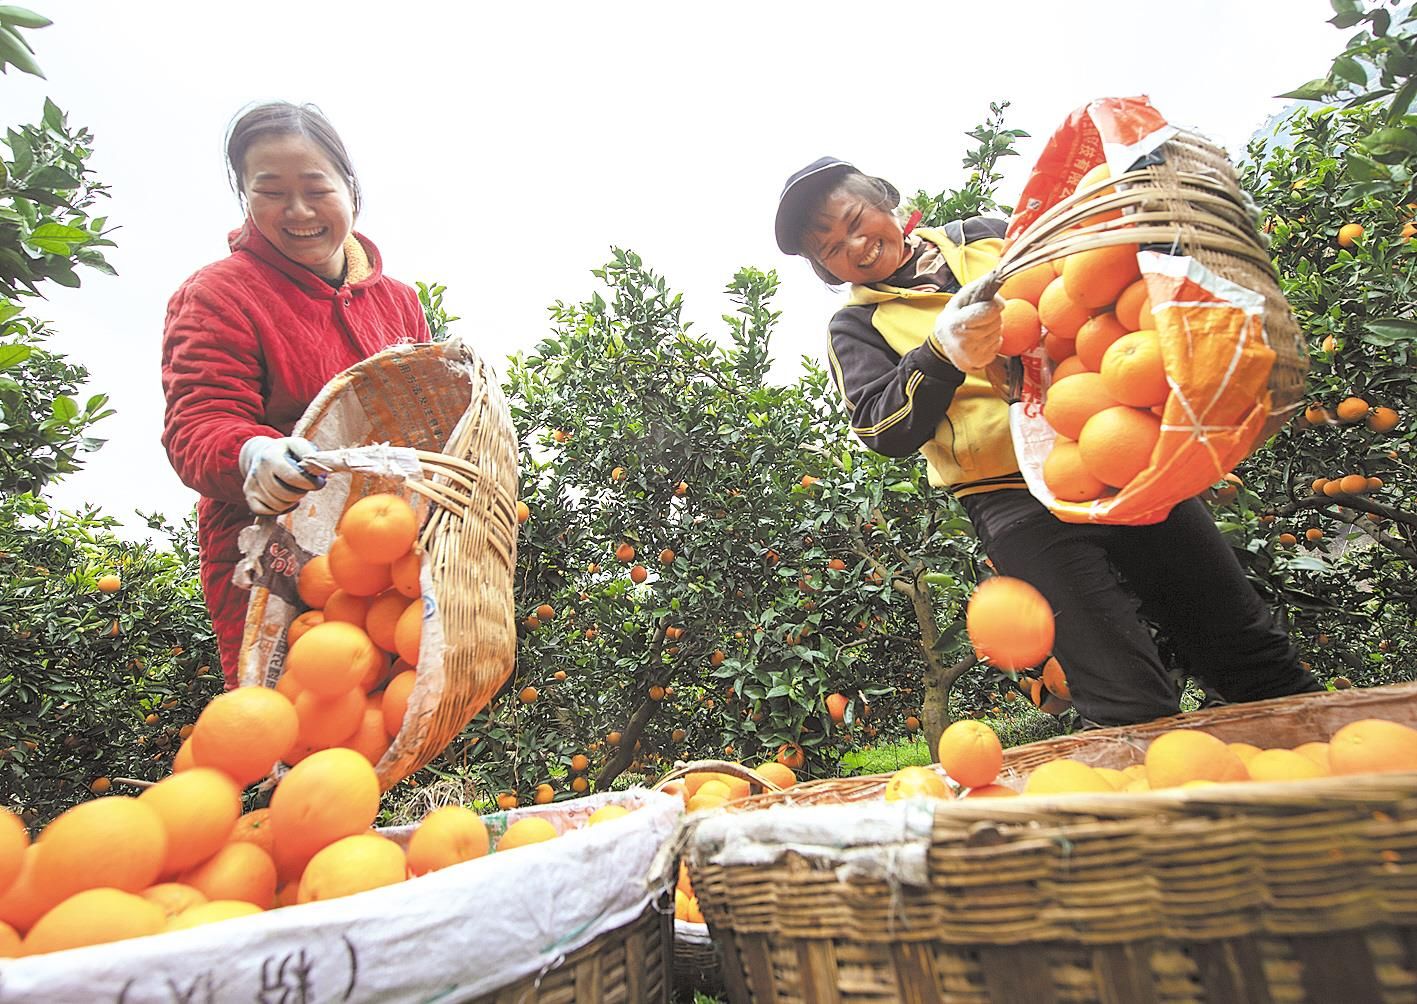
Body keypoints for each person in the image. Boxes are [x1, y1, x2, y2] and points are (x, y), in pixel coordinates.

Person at [774, 157, 1320, 727]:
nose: (855, 246)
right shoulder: (856, 327)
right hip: (1012, 501)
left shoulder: (985, 235)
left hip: (1112, 451)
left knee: (1243, 644)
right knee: (1124, 695)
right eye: (831, 249)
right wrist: (940, 355)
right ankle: (1148, 779)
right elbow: (879, 428)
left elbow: (1085, 281)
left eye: (856, 221)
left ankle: (1323, 762)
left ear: (887, 201)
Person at [161, 102, 430, 689]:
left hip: (389, 556)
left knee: (397, 712)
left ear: (350, 188)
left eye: (315, 188)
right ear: (245, 197)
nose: (299, 211)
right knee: (290, 717)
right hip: (275, 561)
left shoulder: (398, 301)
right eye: (271, 192)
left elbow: (429, 419)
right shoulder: (219, 294)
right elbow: (197, 423)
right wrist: (252, 453)